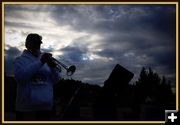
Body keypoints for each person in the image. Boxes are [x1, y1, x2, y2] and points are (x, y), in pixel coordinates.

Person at [14, 33, 61, 121]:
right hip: (27, 109)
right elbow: (21, 78)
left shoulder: (45, 60)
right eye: (35, 43)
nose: (37, 46)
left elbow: (56, 80)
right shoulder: (20, 60)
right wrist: (40, 62)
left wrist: (52, 67)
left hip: (46, 108)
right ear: (27, 44)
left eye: (39, 43)